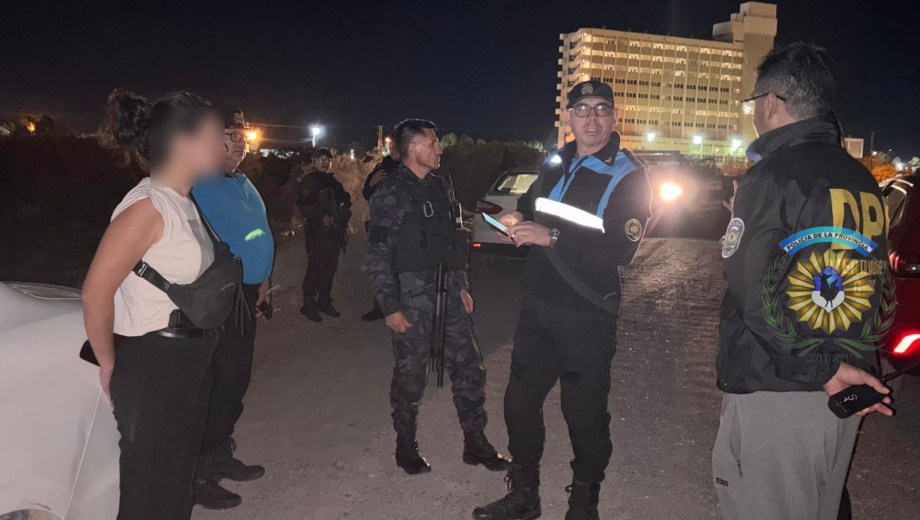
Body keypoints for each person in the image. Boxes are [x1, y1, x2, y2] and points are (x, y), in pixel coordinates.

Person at [711, 42, 893, 520]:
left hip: (784, 389)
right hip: (842, 389)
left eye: (753, 103)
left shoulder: (773, 175)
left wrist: (823, 370)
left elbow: (755, 296)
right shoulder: (859, 179)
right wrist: (847, 367)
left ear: (771, 102)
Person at [474, 81, 651, 520]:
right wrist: (520, 218)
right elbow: (536, 206)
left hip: (587, 310)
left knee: (583, 413)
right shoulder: (556, 160)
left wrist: (550, 237)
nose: (591, 118)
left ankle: (583, 503)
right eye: (582, 109)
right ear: (568, 116)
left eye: (601, 109)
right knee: (518, 402)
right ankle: (524, 495)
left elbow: (620, 249)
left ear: (614, 116)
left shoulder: (629, 174)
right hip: (539, 303)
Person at [82, 90, 230, 520]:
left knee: (175, 481)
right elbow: (95, 291)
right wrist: (109, 364)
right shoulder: (147, 206)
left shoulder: (181, 200)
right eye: (215, 137)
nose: (223, 146)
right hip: (153, 365)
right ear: (183, 143)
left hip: (187, 361)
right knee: (150, 492)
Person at [366, 119, 510, 476]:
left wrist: (461, 285)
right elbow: (378, 255)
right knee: (410, 376)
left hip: (448, 294)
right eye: (433, 143)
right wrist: (390, 307)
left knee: (469, 369)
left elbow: (454, 242)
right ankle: (405, 446)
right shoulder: (390, 192)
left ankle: (475, 443)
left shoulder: (441, 188)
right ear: (414, 148)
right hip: (411, 299)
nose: (439, 148)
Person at [190, 109, 274, 509]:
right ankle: (198, 473)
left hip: (247, 293)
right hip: (220, 297)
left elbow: (258, 231)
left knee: (235, 381)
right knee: (216, 383)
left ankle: (220, 456)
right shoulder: (197, 184)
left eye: (243, 135)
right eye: (229, 135)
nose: (239, 142)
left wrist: (265, 278)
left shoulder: (242, 181)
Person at [296, 148, 352, 321]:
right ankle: (309, 304)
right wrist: (321, 216)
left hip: (333, 234)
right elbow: (303, 205)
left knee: (329, 269)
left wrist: (341, 214)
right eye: (321, 159)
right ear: (314, 161)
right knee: (315, 269)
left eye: (327, 160)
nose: (325, 162)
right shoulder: (309, 181)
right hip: (317, 233)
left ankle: (324, 301)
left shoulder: (332, 181)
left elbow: (345, 200)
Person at [361, 138, 401, 321]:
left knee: (401, 270)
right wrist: (371, 183)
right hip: (380, 227)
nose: (394, 150)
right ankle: (380, 307)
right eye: (392, 147)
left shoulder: (409, 169)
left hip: (402, 229)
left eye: (397, 147)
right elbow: (366, 194)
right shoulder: (381, 168)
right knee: (381, 269)